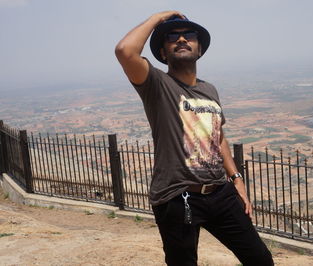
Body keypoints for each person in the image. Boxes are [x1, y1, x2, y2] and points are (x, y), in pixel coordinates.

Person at [115, 11, 274, 266]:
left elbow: (217, 135)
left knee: (260, 258)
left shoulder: (209, 90)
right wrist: (160, 17)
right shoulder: (157, 84)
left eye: (189, 35)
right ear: (163, 52)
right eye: (172, 37)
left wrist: (237, 180)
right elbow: (125, 51)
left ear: (199, 49)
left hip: (220, 193)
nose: (181, 40)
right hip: (178, 197)